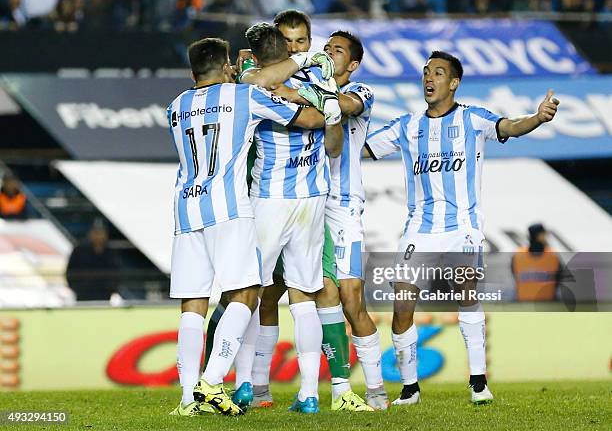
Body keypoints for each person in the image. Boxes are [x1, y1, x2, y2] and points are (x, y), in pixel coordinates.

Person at [364, 50, 559, 405]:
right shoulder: (406, 125)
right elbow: (360, 150)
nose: (429, 78)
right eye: (426, 72)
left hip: (463, 227)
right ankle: (410, 388)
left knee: (465, 291)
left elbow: (510, 127)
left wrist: (538, 118)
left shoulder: (472, 119)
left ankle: (478, 381)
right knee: (402, 302)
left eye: (437, 73)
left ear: (453, 83)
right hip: (419, 230)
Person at [167, 37, 339, 417]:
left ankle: (186, 400)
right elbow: (311, 119)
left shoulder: (175, 106)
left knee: (192, 306)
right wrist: (304, 64)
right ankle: (211, 383)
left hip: (186, 210)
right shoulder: (244, 97)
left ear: (191, 72)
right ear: (227, 67)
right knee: (246, 294)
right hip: (229, 209)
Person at [297, 30, 390, 410]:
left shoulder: (362, 92)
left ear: (351, 65)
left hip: (344, 206)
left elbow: (346, 106)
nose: (327, 54)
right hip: (309, 201)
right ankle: (337, 389)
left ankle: (376, 388)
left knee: (353, 299)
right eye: (325, 48)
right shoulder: (309, 87)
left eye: (336, 51)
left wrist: (308, 91)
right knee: (323, 292)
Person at [66, 221, 122, 301]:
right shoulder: (79, 251)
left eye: (100, 232)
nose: (98, 236)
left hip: (105, 295)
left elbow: (117, 273)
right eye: (95, 232)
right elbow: (70, 272)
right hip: (83, 294)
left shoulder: (111, 252)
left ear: (106, 235)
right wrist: (78, 289)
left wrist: (111, 289)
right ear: (90, 234)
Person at [512, 223, 562, 301]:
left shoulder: (518, 255)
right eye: (544, 234)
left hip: (526, 303)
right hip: (543, 303)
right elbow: (559, 278)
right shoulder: (552, 255)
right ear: (540, 236)